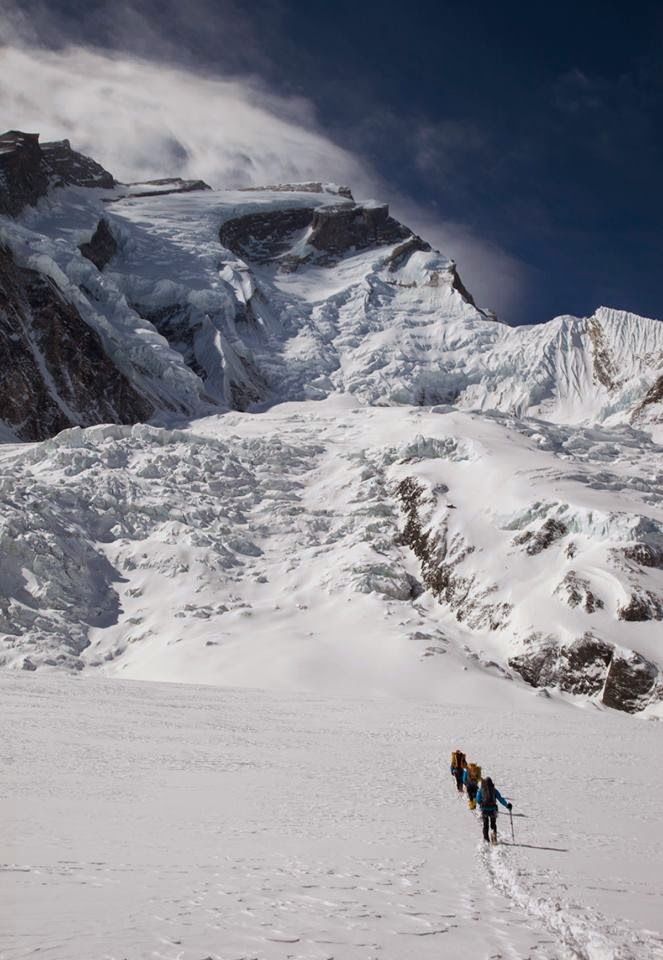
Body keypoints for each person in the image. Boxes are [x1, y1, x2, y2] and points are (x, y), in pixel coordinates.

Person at [476, 775, 512, 843]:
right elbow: (501, 799)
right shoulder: (494, 790)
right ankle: (494, 838)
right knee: (493, 824)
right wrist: (507, 805)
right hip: (493, 810)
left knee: (485, 825)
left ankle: (486, 839)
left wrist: (481, 803)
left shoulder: (481, 790)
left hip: (484, 810)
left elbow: (478, 800)